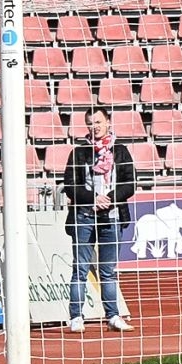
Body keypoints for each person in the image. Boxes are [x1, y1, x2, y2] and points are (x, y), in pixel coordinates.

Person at [61, 107, 135, 334]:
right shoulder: (79, 153)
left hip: (112, 217)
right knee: (80, 269)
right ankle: (76, 317)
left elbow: (130, 183)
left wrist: (110, 199)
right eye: (90, 123)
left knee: (108, 271)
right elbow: (70, 185)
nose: (95, 127)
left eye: (98, 122)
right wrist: (93, 198)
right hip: (84, 217)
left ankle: (112, 316)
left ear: (108, 122)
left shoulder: (120, 151)